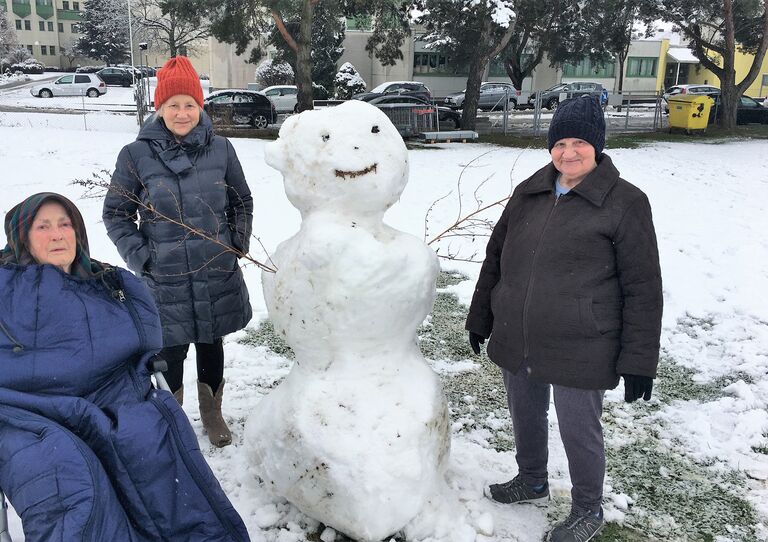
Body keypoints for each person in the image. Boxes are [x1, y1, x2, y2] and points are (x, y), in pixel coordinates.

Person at [466, 95, 662, 542]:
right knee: (525, 412)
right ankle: (532, 478)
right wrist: (482, 316)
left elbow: (643, 287)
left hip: (583, 341)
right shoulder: (530, 192)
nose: (568, 152)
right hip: (519, 333)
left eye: (580, 143)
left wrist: (638, 361)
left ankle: (587, 509)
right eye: (560, 142)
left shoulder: (626, 203)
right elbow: (496, 257)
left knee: (579, 429)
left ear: (598, 146)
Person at [0, 192, 250, 541]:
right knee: (66, 476)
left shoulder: (109, 282)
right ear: (22, 237)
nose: (57, 234)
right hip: (26, 410)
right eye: (42, 227)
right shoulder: (5, 287)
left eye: (65, 224)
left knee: (149, 448)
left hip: (112, 392)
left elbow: (144, 337)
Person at [103, 56, 253, 448]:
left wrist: (234, 244)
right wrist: (144, 257)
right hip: (165, 278)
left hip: (214, 269)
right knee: (170, 350)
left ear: (200, 106)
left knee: (211, 341)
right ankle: (173, 420)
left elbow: (242, 201)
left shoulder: (221, 149)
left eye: (190, 104)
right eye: (173, 105)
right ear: (160, 108)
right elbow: (116, 214)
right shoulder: (135, 156)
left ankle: (212, 413)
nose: (182, 113)